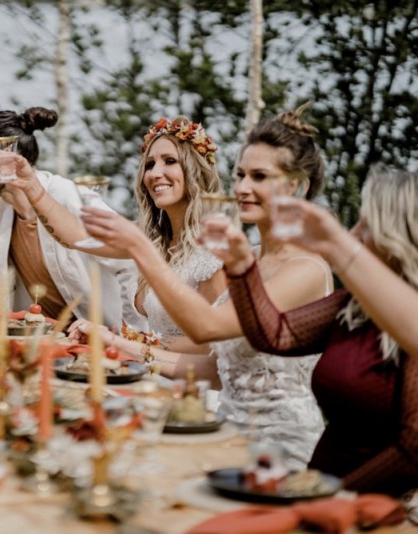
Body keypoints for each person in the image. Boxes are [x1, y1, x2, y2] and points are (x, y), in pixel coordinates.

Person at [81, 106, 331, 469]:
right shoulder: (247, 258)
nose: (243, 187)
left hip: (278, 451)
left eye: (259, 176)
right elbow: (215, 371)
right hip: (223, 434)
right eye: (241, 174)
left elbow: (207, 328)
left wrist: (138, 247)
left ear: (298, 186)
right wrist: (117, 344)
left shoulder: (305, 270)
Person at [210, 165, 418, 495]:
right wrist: (240, 267)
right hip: (316, 486)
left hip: (368, 506)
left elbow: (412, 450)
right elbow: (276, 334)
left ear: (398, 236)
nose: (353, 234)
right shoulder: (354, 304)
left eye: (367, 225)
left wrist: (330, 497)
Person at [10, 116, 226, 383]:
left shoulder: (215, 249)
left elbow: (208, 345)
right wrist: (31, 186)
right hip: (146, 374)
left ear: (195, 170)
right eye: (149, 164)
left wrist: (121, 343)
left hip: (192, 389)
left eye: (170, 161)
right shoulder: (149, 239)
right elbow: (77, 238)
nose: (155, 173)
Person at [0, 107, 141, 328]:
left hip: (100, 346)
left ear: (5, 157)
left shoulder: (69, 196)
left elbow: (130, 258)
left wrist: (131, 335)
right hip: (41, 344)